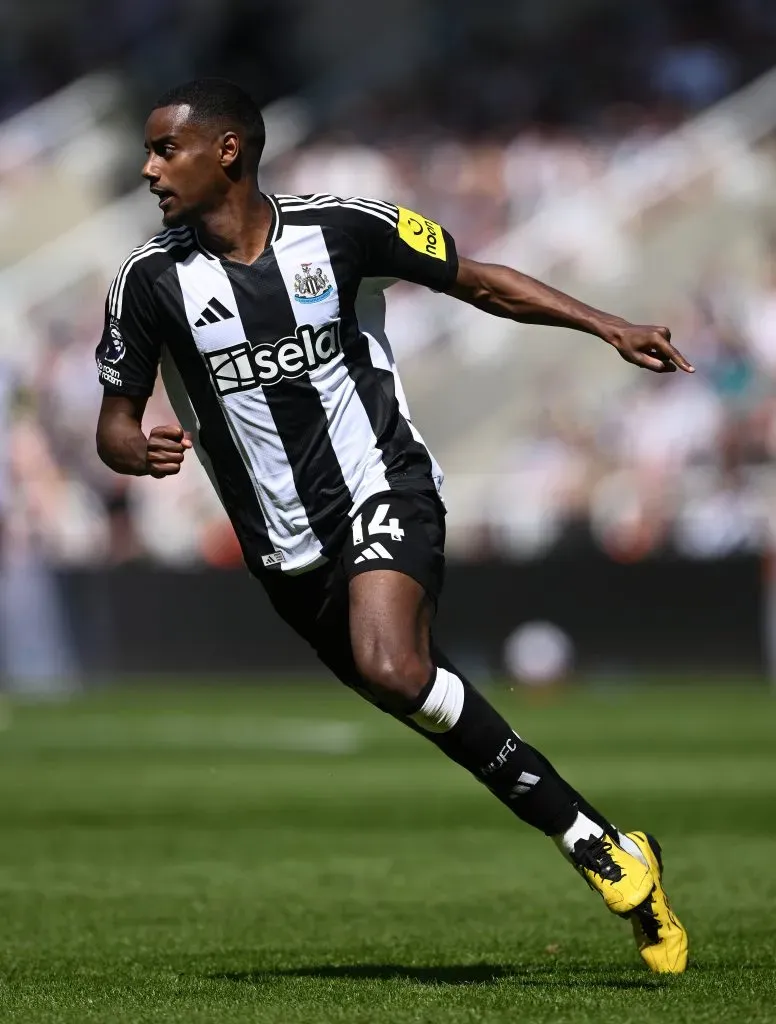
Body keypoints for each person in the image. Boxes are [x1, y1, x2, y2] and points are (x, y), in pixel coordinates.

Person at [95, 79, 691, 973]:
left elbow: (481, 282)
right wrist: (133, 451)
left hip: (386, 483)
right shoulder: (148, 283)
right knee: (431, 703)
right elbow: (113, 420)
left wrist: (607, 326)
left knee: (391, 663)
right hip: (284, 550)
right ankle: (603, 844)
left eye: (163, 150)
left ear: (227, 152)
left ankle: (601, 850)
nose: (147, 169)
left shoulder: (344, 227)